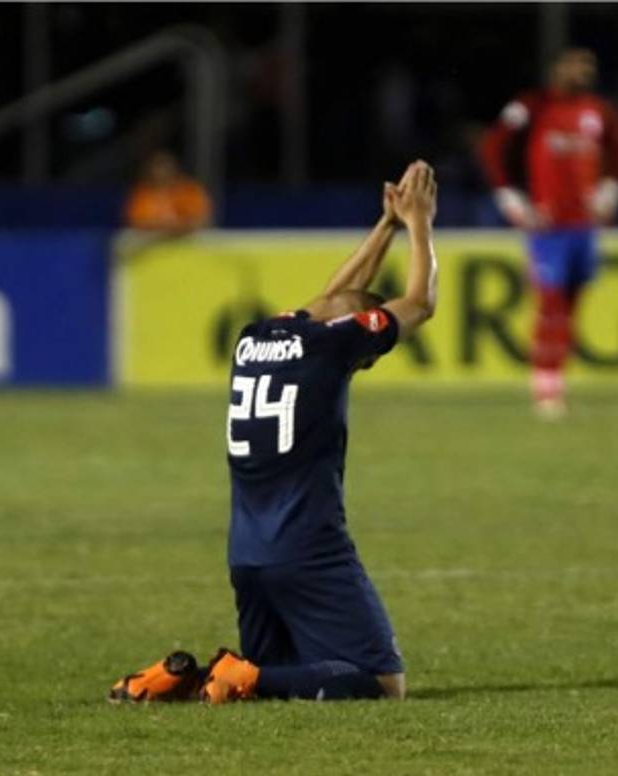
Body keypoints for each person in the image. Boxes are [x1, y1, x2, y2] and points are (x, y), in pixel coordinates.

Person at [109, 161, 439, 703]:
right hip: (308, 548)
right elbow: (420, 303)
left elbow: (334, 295)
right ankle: (240, 675)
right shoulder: (334, 346)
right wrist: (420, 223)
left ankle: (173, 679)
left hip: (246, 555)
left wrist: (385, 225)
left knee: (283, 673)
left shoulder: (256, 336)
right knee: (381, 683)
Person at [479, 47, 618, 418]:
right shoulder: (532, 108)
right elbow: (494, 147)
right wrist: (509, 195)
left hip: (585, 223)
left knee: (572, 303)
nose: (583, 72)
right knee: (550, 303)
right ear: (557, 69)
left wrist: (611, 187)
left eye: (589, 66)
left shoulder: (598, 111)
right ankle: (544, 387)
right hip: (547, 224)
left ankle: (556, 382)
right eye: (576, 65)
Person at [124, 149, 213, 234]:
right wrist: (167, 227)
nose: (161, 171)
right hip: (152, 245)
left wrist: (178, 227)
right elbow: (137, 222)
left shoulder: (189, 191)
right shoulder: (141, 194)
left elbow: (202, 220)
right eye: (157, 166)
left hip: (187, 245)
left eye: (164, 166)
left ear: (174, 167)